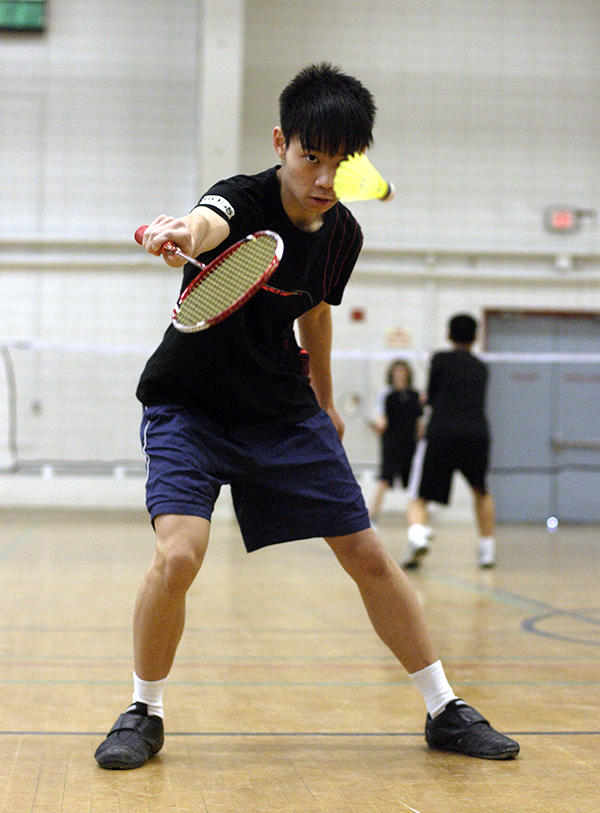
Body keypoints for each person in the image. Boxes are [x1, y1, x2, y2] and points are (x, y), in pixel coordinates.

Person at [94, 64, 518, 769]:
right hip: (190, 407)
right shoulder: (240, 198)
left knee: (369, 554)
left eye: (339, 161)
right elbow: (206, 224)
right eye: (309, 155)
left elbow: (315, 311)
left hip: (283, 412)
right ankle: (145, 709)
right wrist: (181, 231)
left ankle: (444, 706)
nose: (322, 176)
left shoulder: (343, 234)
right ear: (281, 143)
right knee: (178, 554)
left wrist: (323, 398)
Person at [403, 314, 497, 569]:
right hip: (476, 433)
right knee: (482, 491)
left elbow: (432, 398)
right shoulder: (482, 367)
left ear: (448, 335)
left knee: (421, 496)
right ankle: (487, 549)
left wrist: (427, 400)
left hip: (443, 431)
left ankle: (417, 536)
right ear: (476, 337)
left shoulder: (440, 360)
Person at [368, 360, 423, 522]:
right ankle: (372, 516)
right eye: (397, 371)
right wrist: (378, 424)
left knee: (413, 484)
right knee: (384, 481)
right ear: (392, 374)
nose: (400, 374)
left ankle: (416, 519)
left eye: (402, 371)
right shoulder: (386, 394)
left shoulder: (416, 395)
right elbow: (380, 417)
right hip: (391, 443)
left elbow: (420, 420)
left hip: (410, 444)